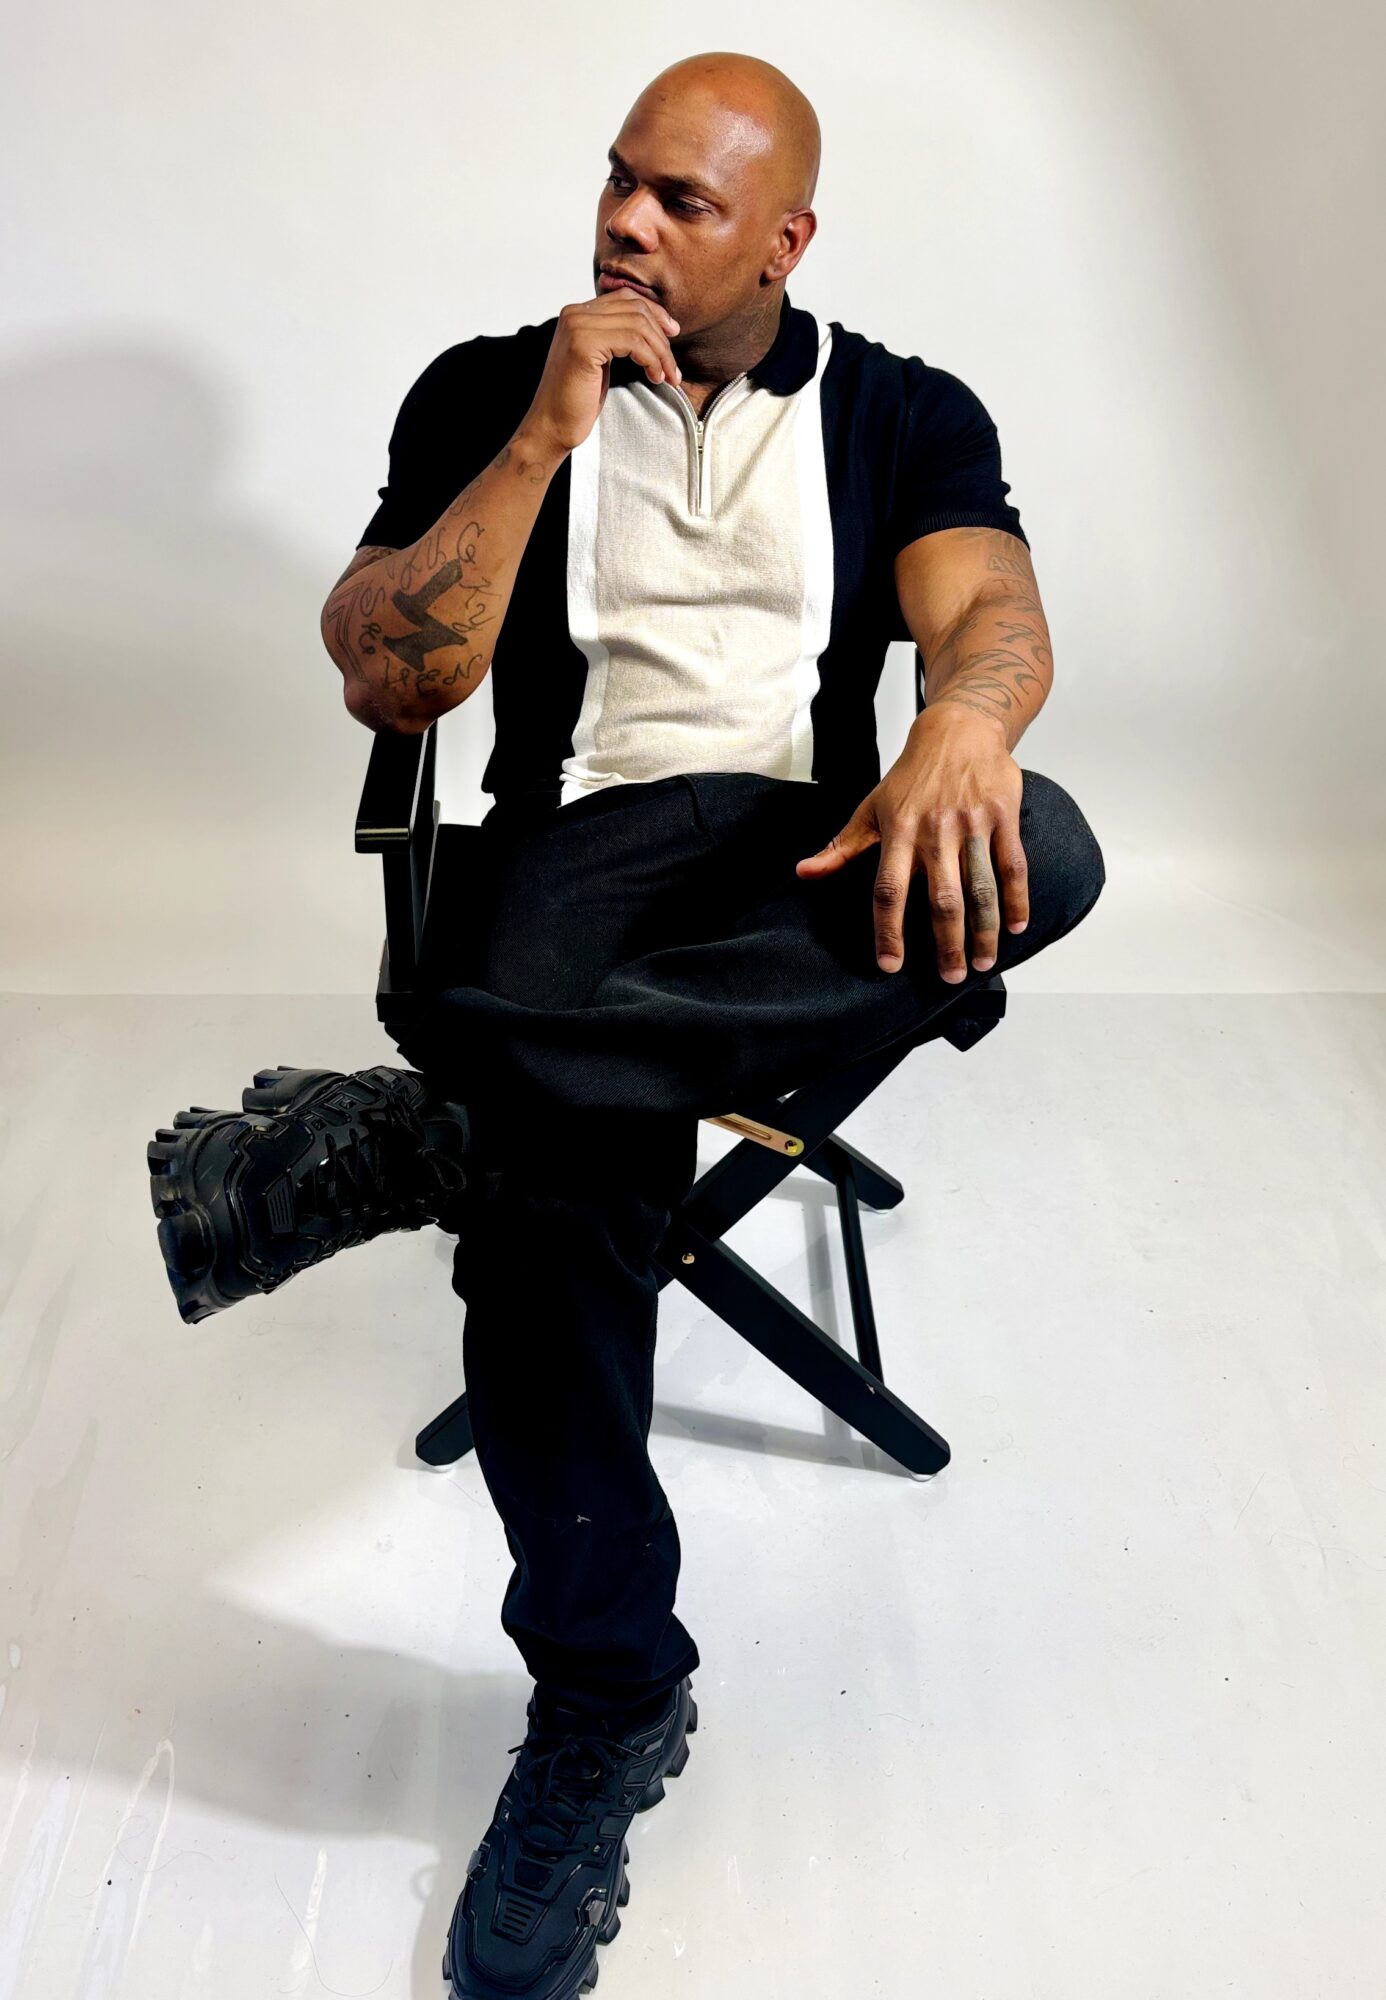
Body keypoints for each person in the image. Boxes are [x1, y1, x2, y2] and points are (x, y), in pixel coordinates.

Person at [146, 50, 1106, 2000]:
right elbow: (389, 680)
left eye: (682, 200)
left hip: (792, 868)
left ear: (784, 240)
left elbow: (989, 608)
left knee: (1049, 846)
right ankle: (606, 1696)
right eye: (618, 181)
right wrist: (537, 442)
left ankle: (447, 1124)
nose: (624, 224)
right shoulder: (490, 385)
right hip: (563, 871)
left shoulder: (902, 411)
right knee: (565, 1215)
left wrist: (962, 719)